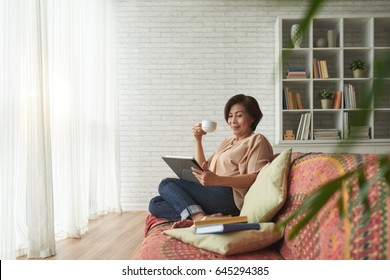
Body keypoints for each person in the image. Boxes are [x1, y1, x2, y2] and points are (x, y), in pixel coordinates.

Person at [148, 94, 274, 227]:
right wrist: (198, 139)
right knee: (155, 203)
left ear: (252, 117)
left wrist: (218, 180)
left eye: (239, 115)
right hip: (212, 191)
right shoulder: (227, 141)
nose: (233, 121)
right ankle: (207, 218)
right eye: (230, 116)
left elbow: (256, 178)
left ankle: (198, 217)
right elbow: (203, 168)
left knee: (166, 183)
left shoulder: (257, 140)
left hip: (230, 196)